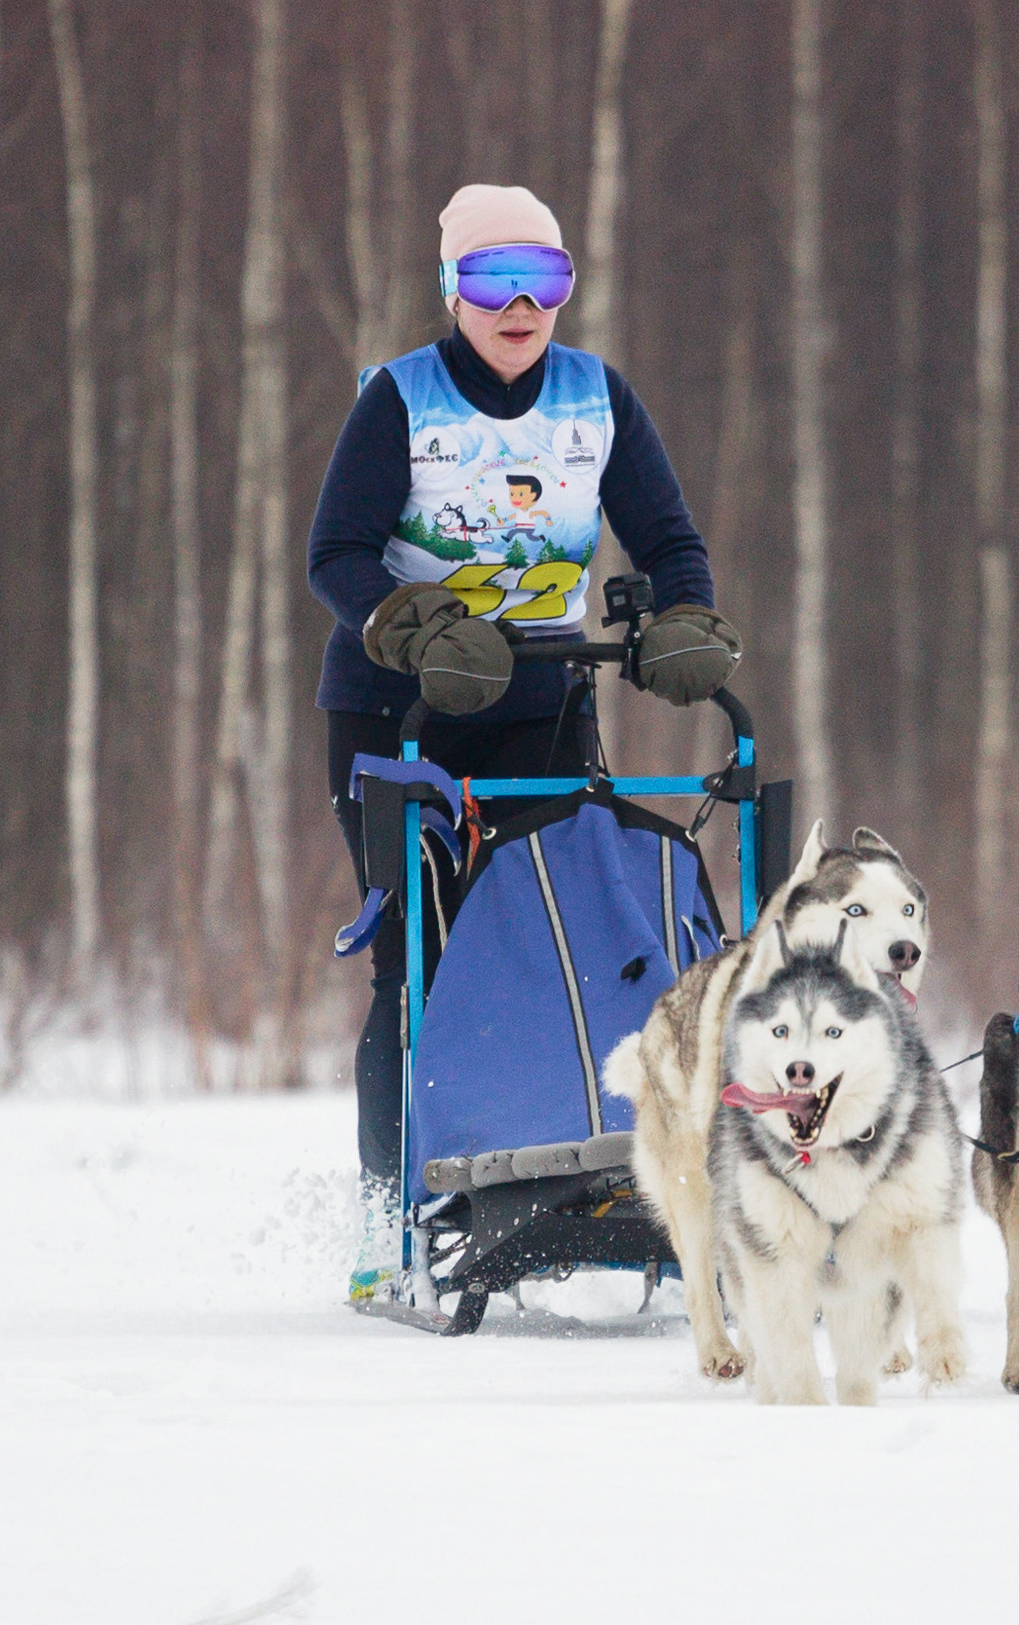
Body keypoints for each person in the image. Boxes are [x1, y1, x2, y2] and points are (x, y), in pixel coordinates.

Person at [307, 183, 742, 1302]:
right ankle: (390, 1222)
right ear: (455, 290)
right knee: (417, 963)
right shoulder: (401, 400)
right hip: (398, 712)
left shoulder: (599, 398)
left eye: (542, 282)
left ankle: (573, 1186)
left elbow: (669, 539)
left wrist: (682, 617)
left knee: (574, 941)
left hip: (541, 695)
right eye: (494, 282)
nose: (519, 306)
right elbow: (337, 553)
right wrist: (410, 622)